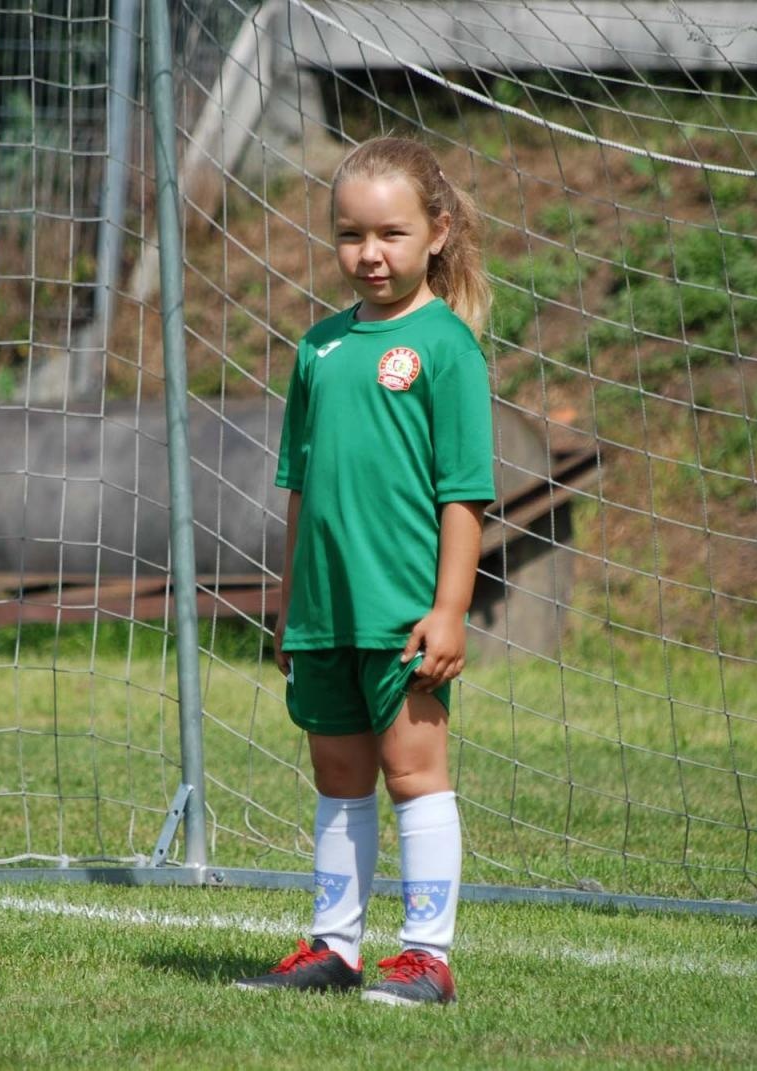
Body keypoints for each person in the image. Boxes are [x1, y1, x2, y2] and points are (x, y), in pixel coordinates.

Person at [234, 136, 494, 1007]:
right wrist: (287, 605)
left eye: (390, 233)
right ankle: (334, 947)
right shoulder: (320, 350)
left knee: (414, 773)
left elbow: (465, 496)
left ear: (438, 233)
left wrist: (450, 608)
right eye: (351, 235)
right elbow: (301, 491)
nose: (369, 254)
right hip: (323, 612)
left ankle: (427, 956)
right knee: (338, 778)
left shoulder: (446, 348)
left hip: (403, 614)